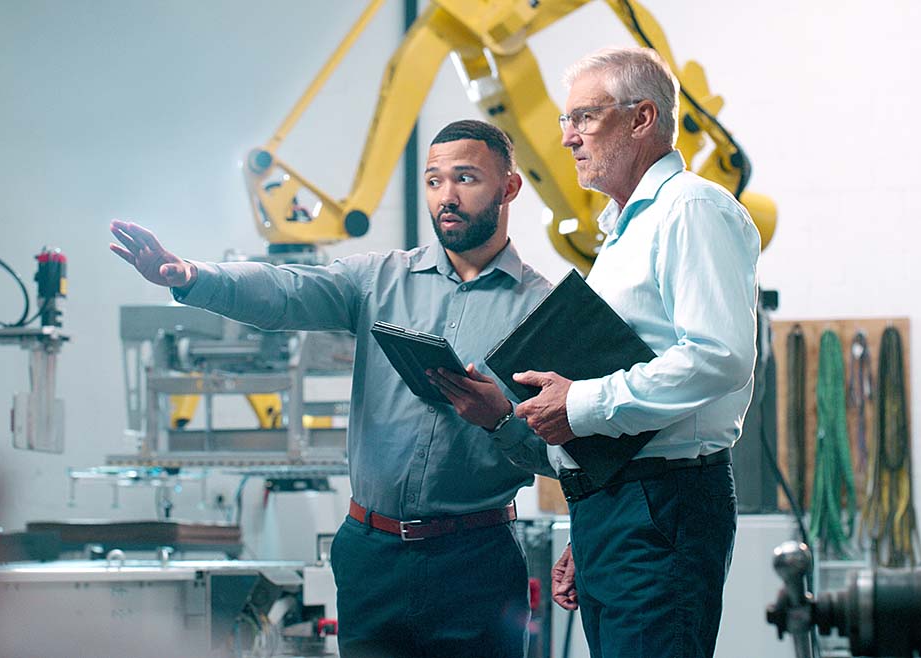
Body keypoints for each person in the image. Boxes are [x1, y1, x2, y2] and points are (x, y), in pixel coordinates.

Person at [110, 120, 558, 658]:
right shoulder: (377, 280)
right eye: (435, 180)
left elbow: (567, 454)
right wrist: (190, 276)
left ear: (509, 188)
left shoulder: (544, 311)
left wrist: (501, 420)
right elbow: (286, 291)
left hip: (476, 561)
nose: (448, 196)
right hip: (370, 556)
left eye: (467, 178)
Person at [511, 47, 760, 658]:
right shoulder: (624, 227)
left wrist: (584, 403)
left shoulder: (690, 208)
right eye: (565, 122)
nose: (567, 138)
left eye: (584, 119)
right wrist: (590, 524)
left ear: (642, 117)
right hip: (622, 504)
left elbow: (720, 355)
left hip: (663, 504)